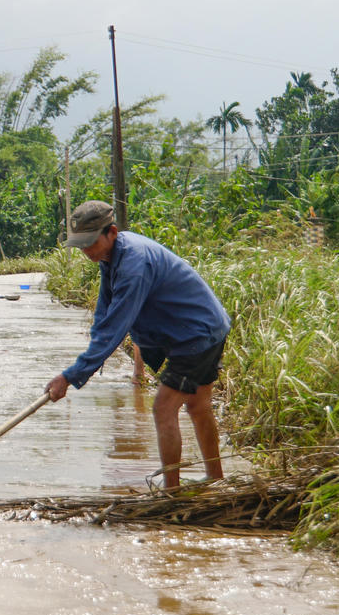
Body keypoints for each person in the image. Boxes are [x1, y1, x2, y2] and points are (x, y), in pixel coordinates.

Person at [44, 200, 231, 489]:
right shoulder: (109, 258)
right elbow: (104, 314)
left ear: (112, 233)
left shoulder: (134, 263)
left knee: (162, 409)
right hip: (196, 329)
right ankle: (216, 479)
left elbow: (116, 326)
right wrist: (86, 359)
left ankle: (171, 491)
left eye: (90, 242)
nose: (86, 251)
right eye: (81, 245)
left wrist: (70, 376)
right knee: (198, 406)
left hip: (196, 335)